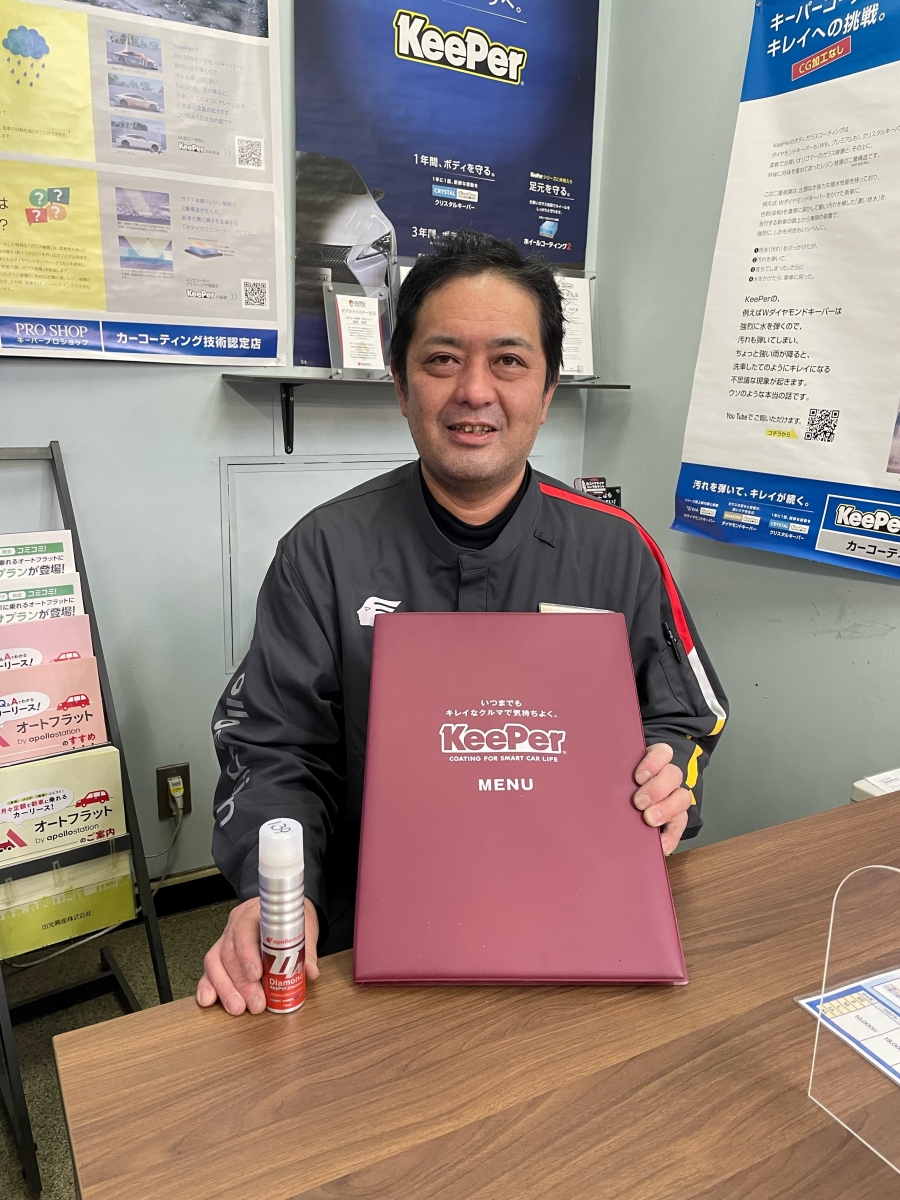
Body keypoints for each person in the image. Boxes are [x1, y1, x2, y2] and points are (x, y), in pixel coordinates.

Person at [197, 230, 728, 1016]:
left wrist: (670, 768)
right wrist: (278, 894)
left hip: (583, 913)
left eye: (509, 361)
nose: (474, 391)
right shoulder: (324, 552)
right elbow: (274, 748)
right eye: (442, 359)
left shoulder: (618, 549)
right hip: (368, 932)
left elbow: (690, 714)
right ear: (400, 383)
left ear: (548, 390)